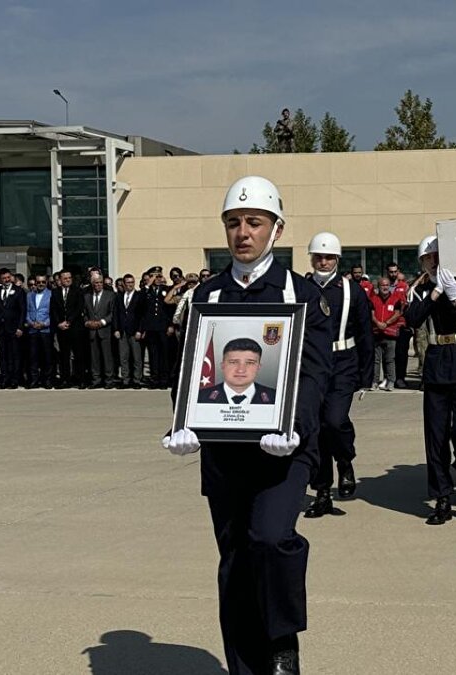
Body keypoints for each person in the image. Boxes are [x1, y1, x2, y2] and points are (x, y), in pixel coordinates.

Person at [161, 175, 332, 675]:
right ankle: (245, 669)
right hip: (224, 452)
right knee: (235, 559)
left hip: (285, 449)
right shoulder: (207, 295)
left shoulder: (301, 296)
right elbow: (191, 369)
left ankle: (281, 641)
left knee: (271, 538)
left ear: (276, 229)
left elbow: (316, 372)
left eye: (254, 222)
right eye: (233, 223)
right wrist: (183, 421)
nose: (243, 233)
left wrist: (295, 425)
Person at [404, 235, 456, 525]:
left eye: (438, 256)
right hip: (438, 359)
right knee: (436, 436)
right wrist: (436, 292)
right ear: (422, 262)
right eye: (429, 258)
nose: (434, 261)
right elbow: (412, 319)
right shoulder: (419, 289)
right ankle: (441, 497)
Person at [303, 232, 373, 519]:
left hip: (343, 362)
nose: (323, 261)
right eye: (318, 256)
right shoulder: (301, 288)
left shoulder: (351, 290)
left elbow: (366, 333)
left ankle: (345, 460)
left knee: (335, 420)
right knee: (315, 428)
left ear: (337, 259)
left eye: (329, 256)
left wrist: (366, 376)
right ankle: (321, 492)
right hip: (310, 364)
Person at [197, 338, 278, 404]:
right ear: (222, 365)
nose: (241, 370)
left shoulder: (276, 397)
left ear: (258, 367)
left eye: (250, 363)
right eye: (233, 362)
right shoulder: (199, 397)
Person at [51, 269, 85, 388]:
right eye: (65, 278)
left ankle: (80, 379)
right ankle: (65, 379)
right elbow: (53, 310)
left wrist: (69, 321)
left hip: (75, 327)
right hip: (61, 329)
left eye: (69, 278)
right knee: (63, 355)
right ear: (60, 280)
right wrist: (59, 323)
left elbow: (79, 308)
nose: (67, 280)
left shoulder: (78, 291)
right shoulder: (55, 292)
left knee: (78, 354)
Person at [370, 277, 405, 390]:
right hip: (376, 333)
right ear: (378, 287)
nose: (384, 287)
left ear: (389, 286)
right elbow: (371, 313)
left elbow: (397, 313)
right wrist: (377, 323)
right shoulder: (373, 299)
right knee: (375, 360)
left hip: (390, 333)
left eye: (386, 285)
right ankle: (374, 381)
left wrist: (386, 323)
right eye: (382, 285)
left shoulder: (396, 299)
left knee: (390, 359)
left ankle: (391, 381)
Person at [84, 271, 116, 389]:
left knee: (107, 356)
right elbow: (85, 313)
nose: (98, 285)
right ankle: (96, 379)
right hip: (92, 330)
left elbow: (112, 313)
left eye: (100, 283)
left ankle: (109, 380)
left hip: (105, 330)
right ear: (92, 284)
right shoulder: (87, 296)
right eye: (96, 283)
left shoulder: (110, 295)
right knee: (94, 357)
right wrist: (87, 322)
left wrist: (102, 322)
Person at [114, 273, 145, 389]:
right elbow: (116, 314)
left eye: (132, 282)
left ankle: (136, 380)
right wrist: (116, 329)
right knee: (124, 357)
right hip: (122, 331)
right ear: (123, 284)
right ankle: (125, 380)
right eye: (128, 283)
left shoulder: (139, 296)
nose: (130, 285)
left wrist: (139, 330)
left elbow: (142, 315)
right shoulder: (119, 296)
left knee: (136, 357)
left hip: (134, 330)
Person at [25, 275, 53, 389]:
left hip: (45, 329)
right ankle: (34, 380)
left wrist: (45, 323)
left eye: (43, 282)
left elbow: (53, 313)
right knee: (33, 357)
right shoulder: (29, 295)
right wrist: (31, 322)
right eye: (38, 282)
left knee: (47, 357)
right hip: (32, 329)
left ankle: (47, 380)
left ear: (46, 283)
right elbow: (26, 311)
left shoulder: (51, 294)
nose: (41, 284)